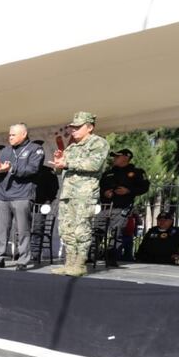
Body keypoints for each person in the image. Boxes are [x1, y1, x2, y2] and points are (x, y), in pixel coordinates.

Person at [50, 112, 110, 276]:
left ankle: (80, 264)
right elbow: (61, 170)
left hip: (84, 194)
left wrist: (67, 162)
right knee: (66, 230)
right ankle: (69, 263)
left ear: (89, 127)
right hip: (68, 194)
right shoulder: (71, 147)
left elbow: (95, 164)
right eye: (72, 127)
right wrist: (58, 164)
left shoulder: (98, 143)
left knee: (81, 229)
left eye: (77, 127)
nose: (73, 130)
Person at [0, 123, 45, 271]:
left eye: (13, 134)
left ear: (24, 134)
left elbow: (32, 170)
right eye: (9, 134)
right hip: (2, 195)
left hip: (22, 195)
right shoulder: (5, 151)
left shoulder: (35, 149)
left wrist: (12, 168)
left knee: (22, 229)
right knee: (1, 229)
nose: (10, 137)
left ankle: (23, 259)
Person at [94, 148, 150, 266]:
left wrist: (128, 190)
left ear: (126, 158)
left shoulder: (136, 172)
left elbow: (144, 188)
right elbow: (100, 187)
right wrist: (105, 192)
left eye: (117, 156)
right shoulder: (108, 173)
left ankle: (111, 257)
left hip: (122, 207)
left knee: (116, 233)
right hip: (105, 207)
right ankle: (90, 255)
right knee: (96, 231)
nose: (114, 158)